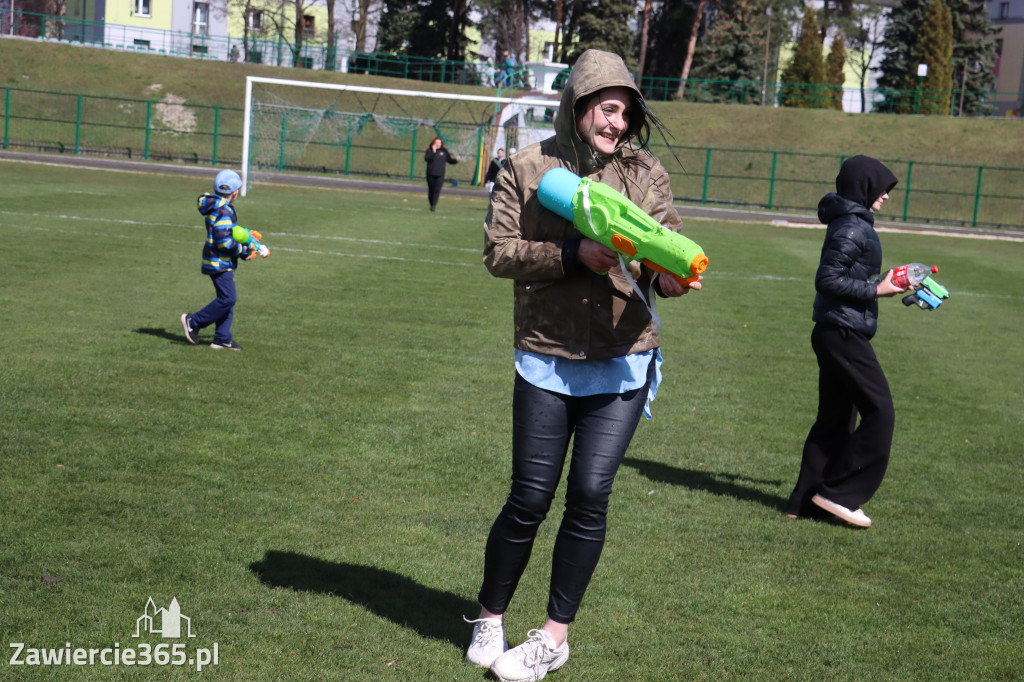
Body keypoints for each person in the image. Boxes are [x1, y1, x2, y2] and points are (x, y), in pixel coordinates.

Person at [466, 49, 701, 682]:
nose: (617, 122)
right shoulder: (526, 165)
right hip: (546, 355)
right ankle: (490, 616)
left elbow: (662, 245)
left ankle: (552, 638)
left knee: (591, 496)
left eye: (625, 111)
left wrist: (671, 276)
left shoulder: (645, 173)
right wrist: (576, 254)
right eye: (606, 108)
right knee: (529, 499)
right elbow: (499, 253)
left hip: (625, 361)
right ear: (579, 106)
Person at [784, 155, 909, 528]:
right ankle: (839, 494)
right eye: (883, 189)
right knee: (880, 411)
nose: (886, 196)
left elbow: (848, 273)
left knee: (835, 420)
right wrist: (878, 289)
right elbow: (828, 279)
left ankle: (802, 502)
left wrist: (890, 280)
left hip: (835, 329)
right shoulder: (853, 227)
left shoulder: (851, 224)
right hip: (842, 332)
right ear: (864, 186)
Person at [180, 169, 256, 351]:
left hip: (219, 260)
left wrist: (244, 241)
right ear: (235, 192)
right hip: (218, 262)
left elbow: (228, 234)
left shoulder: (216, 206)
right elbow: (224, 242)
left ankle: (221, 337)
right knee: (228, 298)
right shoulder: (224, 210)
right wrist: (243, 251)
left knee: (226, 299)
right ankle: (194, 321)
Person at [424, 136, 459, 211]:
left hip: (440, 174)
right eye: (436, 143)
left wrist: (456, 160)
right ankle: (431, 204)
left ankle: (433, 206)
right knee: (431, 190)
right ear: (433, 143)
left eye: (439, 143)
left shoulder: (444, 151)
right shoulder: (429, 150)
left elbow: (449, 160)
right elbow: (427, 159)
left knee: (437, 190)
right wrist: (433, 152)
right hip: (430, 174)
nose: (438, 144)